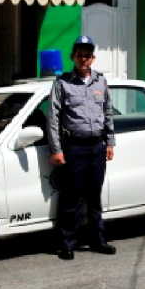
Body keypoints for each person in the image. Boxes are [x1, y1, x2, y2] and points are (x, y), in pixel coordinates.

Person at [47, 36, 117, 261]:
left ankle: (98, 240)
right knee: (71, 197)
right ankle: (66, 243)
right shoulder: (62, 83)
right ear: (73, 57)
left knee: (94, 196)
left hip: (97, 146)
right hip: (74, 147)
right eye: (80, 55)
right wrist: (56, 149)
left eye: (87, 55)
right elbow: (53, 118)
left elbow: (108, 113)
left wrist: (110, 142)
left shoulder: (101, 82)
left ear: (93, 58)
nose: (84, 59)